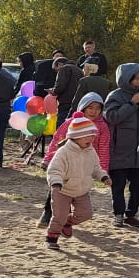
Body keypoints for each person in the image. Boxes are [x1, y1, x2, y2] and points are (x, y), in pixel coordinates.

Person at [38, 92, 111, 227]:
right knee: (57, 187)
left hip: (84, 165)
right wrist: (48, 159)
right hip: (66, 162)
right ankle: (48, 213)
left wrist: (103, 169)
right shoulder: (71, 123)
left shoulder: (102, 127)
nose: (94, 111)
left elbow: (104, 148)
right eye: (90, 108)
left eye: (97, 108)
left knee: (78, 190)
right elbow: (57, 141)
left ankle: (67, 219)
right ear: (83, 108)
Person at [44, 116, 111, 250]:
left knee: (86, 214)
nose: (91, 140)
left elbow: (96, 168)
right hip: (62, 190)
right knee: (59, 216)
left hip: (81, 190)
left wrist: (103, 177)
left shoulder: (90, 151)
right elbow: (54, 170)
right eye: (87, 136)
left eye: (92, 136)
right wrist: (56, 183)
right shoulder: (64, 152)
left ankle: (67, 223)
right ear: (75, 136)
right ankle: (51, 237)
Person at [103, 62, 139, 227]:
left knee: (138, 188)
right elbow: (112, 117)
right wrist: (131, 104)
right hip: (118, 151)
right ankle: (118, 215)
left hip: (138, 152)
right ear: (126, 78)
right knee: (118, 187)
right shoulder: (114, 96)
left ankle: (131, 215)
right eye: (136, 79)